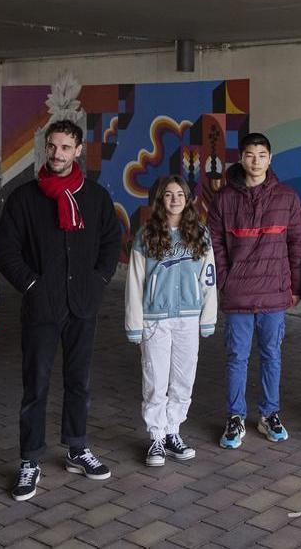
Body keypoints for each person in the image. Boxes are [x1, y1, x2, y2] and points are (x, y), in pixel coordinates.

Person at [0, 120, 121, 501]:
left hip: (82, 305)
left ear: (79, 150)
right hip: (42, 308)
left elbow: (111, 243)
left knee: (79, 382)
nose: (57, 154)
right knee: (36, 385)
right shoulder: (25, 198)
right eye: (52, 146)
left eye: (65, 147)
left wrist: (97, 282)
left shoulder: (95, 197)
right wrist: (32, 285)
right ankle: (30, 459)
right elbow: (5, 250)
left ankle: (77, 448)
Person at [207, 132, 301, 449]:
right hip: (238, 293)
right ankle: (235, 417)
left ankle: (269, 414)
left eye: (262, 155)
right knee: (236, 357)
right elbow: (215, 244)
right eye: (250, 154)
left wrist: (295, 285)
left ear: (270, 159)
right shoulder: (224, 199)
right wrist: (224, 279)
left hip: (274, 294)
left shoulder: (287, 197)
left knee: (271, 356)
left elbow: (296, 244)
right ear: (241, 158)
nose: (256, 161)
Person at [125, 176, 217, 466]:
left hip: (188, 318)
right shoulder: (147, 234)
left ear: (188, 199)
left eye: (180, 194)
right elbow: (135, 282)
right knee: (155, 379)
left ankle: (172, 432)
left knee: (183, 380)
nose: (175, 199)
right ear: (160, 199)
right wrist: (134, 323)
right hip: (156, 319)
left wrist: (208, 316)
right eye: (168, 194)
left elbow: (209, 278)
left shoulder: (199, 234)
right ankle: (155, 436)